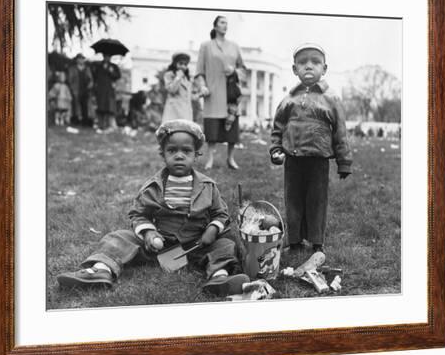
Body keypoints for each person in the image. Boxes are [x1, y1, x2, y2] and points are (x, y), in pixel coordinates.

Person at [57, 119, 249, 296]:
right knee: (119, 237)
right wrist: (149, 234)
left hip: (198, 244)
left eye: (186, 151)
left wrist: (213, 228)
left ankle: (220, 276)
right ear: (163, 155)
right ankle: (101, 270)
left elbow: (221, 213)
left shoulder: (208, 186)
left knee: (225, 244)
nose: (179, 156)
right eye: (172, 151)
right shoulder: (154, 186)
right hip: (159, 245)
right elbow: (138, 214)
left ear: (196, 155)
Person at [269, 44, 352, 253]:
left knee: (317, 202)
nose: (309, 66)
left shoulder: (330, 98)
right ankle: (294, 242)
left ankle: (317, 244)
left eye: (315, 62)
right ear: (294, 69)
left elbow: (340, 130)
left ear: (324, 69)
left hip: (318, 161)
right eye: (303, 62)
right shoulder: (289, 99)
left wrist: (344, 161)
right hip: (293, 161)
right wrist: (276, 149)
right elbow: (277, 127)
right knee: (293, 201)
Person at [195, 15, 245, 170]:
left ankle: (230, 159)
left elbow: (243, 68)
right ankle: (210, 159)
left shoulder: (234, 46)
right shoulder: (206, 46)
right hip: (213, 91)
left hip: (230, 92)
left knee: (232, 127)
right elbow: (199, 71)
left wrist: (235, 71)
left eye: (227, 23)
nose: (225, 26)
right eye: (222, 23)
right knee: (212, 127)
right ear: (215, 26)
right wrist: (202, 86)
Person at [91, 53, 121, 132]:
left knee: (109, 107)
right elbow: (95, 76)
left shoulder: (114, 66)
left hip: (109, 90)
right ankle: (100, 124)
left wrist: (111, 71)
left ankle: (109, 125)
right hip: (100, 89)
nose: (107, 58)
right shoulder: (98, 66)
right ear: (103, 57)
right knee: (100, 107)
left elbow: (117, 76)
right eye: (105, 56)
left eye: (108, 57)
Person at [162, 52, 194, 122]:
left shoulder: (187, 79)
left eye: (185, 64)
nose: (183, 66)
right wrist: (178, 77)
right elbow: (172, 90)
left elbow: (189, 96)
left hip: (186, 113)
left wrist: (200, 94)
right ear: (175, 63)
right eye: (180, 63)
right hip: (173, 113)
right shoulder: (169, 75)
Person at [67, 53, 94, 125]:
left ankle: (85, 121)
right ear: (76, 60)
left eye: (82, 59)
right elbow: (70, 79)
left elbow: (91, 79)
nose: (81, 60)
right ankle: (75, 120)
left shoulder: (87, 69)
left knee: (85, 106)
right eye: (79, 59)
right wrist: (72, 88)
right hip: (76, 89)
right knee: (75, 106)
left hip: (85, 90)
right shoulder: (72, 68)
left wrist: (90, 85)